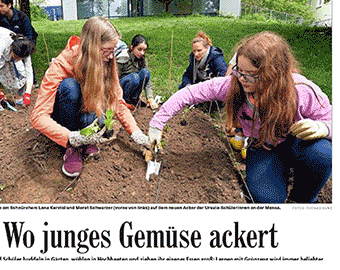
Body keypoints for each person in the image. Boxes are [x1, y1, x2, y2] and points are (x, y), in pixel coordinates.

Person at [148, 31, 332, 204]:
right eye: (240, 71)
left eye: (250, 75)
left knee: (321, 153)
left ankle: (302, 200)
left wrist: (323, 127)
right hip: (264, 147)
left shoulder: (301, 91)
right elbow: (189, 93)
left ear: (273, 73)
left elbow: (330, 119)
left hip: (297, 144)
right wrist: (157, 123)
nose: (242, 79)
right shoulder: (234, 85)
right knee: (266, 200)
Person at [31, 17, 150, 178]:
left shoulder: (107, 62)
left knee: (101, 119)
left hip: (87, 109)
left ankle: (86, 139)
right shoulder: (62, 63)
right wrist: (72, 138)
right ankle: (72, 148)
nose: (110, 56)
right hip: (64, 116)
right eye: (105, 50)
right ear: (92, 47)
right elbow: (38, 117)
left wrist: (136, 133)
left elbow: (117, 102)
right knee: (70, 87)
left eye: (112, 50)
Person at [0, 26, 35, 112]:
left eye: (20, 58)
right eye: (16, 57)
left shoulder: (25, 48)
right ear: (11, 48)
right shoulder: (3, 42)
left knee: (20, 70)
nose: (17, 60)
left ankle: (19, 97)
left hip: (5, 46)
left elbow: (28, 70)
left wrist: (27, 93)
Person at [0, 0, 39, 87]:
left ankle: (32, 82)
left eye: (2, 6)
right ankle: (14, 82)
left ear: (9, 5)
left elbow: (29, 35)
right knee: (11, 60)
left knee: (25, 58)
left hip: (25, 41)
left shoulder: (22, 17)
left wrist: (25, 49)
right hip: (10, 42)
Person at [116, 34, 158, 110]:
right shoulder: (123, 57)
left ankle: (134, 99)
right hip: (122, 86)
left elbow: (147, 81)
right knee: (134, 77)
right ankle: (126, 100)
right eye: (139, 49)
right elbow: (114, 78)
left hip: (134, 84)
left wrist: (150, 97)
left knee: (146, 72)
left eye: (144, 50)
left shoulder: (142, 59)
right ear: (132, 47)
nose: (142, 53)